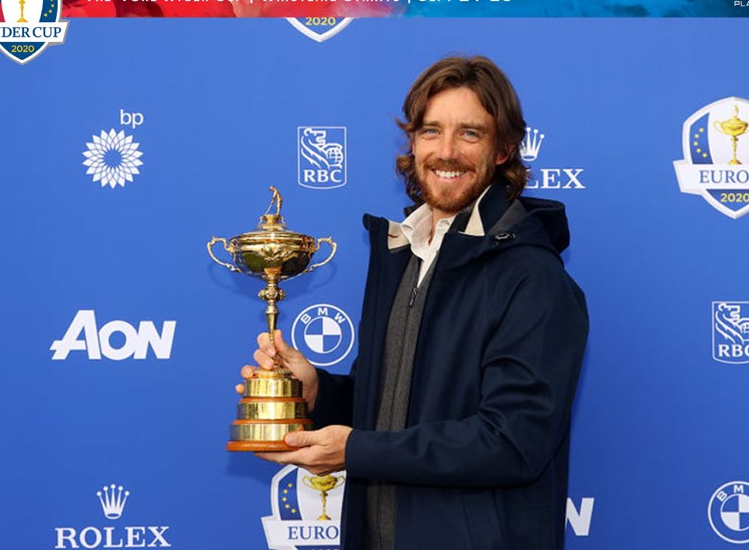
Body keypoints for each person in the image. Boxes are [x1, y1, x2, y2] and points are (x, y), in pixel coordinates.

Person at [242, 56, 589, 549]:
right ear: (413, 142)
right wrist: (320, 393)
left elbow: (513, 443)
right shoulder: (407, 253)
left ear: (503, 150)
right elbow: (394, 405)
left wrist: (357, 451)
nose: (446, 152)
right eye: (431, 131)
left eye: (469, 133)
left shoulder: (533, 278)